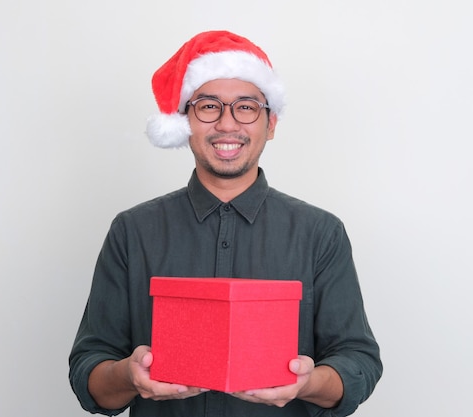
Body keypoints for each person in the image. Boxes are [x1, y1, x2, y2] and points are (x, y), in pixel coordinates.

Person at [69, 30, 382, 417]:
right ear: (185, 121)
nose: (227, 124)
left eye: (246, 107)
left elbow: (360, 362)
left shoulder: (320, 233)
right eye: (208, 106)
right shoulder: (133, 231)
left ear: (271, 123)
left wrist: (311, 381)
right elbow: (89, 371)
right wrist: (128, 376)